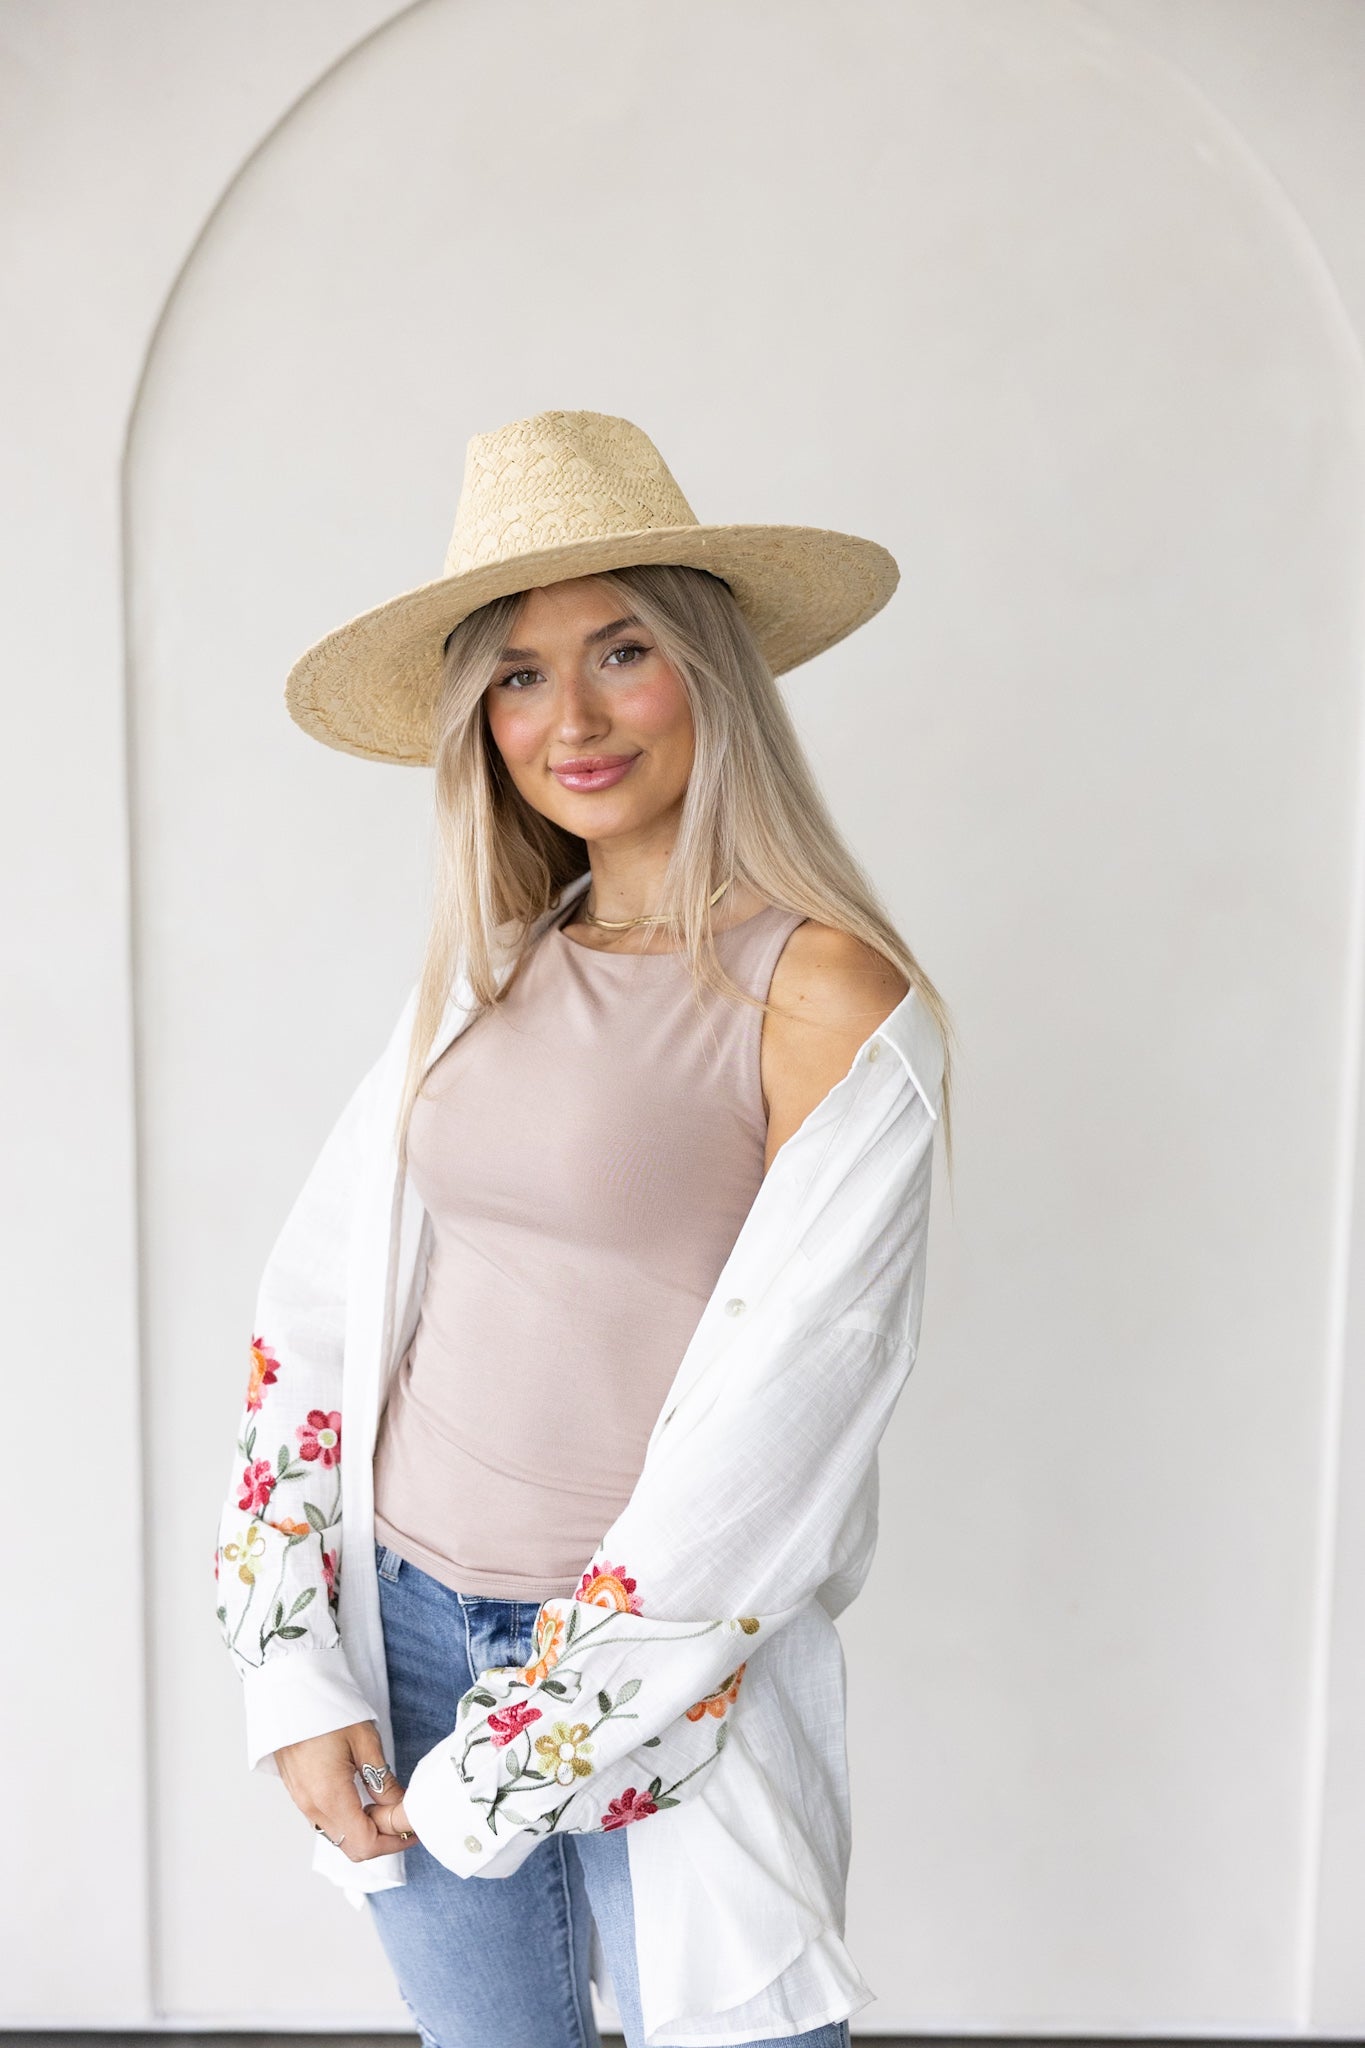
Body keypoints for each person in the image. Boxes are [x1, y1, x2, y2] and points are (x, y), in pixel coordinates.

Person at [213, 408, 956, 2048]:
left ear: (709, 672)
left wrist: (519, 1748)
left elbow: (795, 1423)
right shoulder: (489, 968)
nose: (572, 718)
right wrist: (292, 1665)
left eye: (622, 651)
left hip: (663, 1684)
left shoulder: (823, 992)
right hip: (403, 1635)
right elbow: (317, 1316)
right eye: (518, 675)